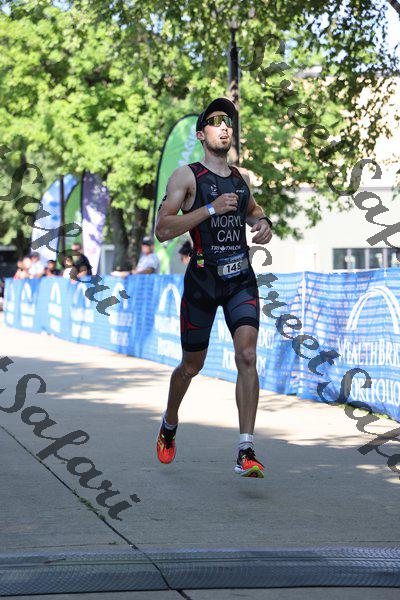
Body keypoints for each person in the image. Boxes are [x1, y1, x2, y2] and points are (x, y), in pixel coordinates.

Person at [155, 97, 273, 478]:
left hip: (240, 280)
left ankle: (245, 449)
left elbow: (252, 210)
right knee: (192, 365)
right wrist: (209, 209)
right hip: (203, 282)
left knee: (248, 355)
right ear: (200, 134)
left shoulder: (241, 179)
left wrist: (263, 223)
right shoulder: (186, 177)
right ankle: (170, 421)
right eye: (216, 121)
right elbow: (162, 229)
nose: (225, 127)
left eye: (228, 122)